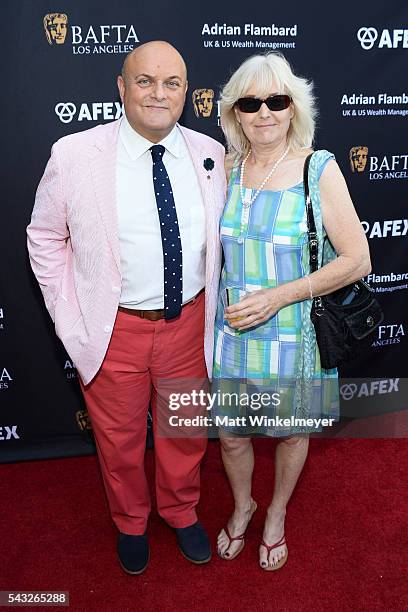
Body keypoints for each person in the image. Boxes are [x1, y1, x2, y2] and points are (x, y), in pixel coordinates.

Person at [27, 41, 226, 575]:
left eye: (172, 83)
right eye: (145, 81)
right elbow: (45, 237)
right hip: (115, 329)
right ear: (121, 87)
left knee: (183, 430)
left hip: (189, 322)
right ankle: (131, 522)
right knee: (119, 441)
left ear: (186, 91)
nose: (158, 94)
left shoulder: (211, 153)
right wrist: (70, 316)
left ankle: (181, 511)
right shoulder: (74, 155)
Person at [212, 52, 371, 570]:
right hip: (234, 334)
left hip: (294, 333)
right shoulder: (226, 169)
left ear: (293, 108)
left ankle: (276, 513)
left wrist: (279, 296)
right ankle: (243, 505)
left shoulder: (316, 169)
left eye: (276, 101)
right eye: (251, 102)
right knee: (233, 435)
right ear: (235, 112)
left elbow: (358, 259)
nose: (264, 113)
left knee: (291, 433)